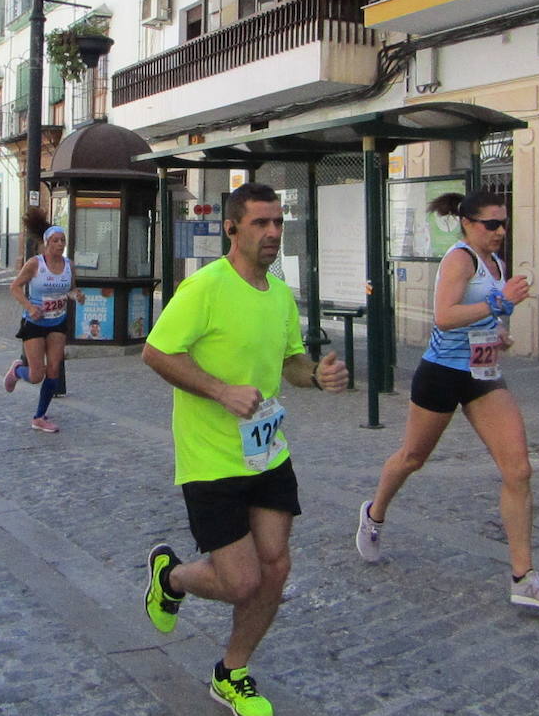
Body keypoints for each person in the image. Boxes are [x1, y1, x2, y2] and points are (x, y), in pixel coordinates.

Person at [141, 182, 347, 716]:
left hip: (267, 450)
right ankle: (172, 577)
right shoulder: (204, 288)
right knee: (241, 581)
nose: (274, 232)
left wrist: (317, 377)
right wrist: (219, 389)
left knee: (275, 568)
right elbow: (156, 352)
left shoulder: (278, 293)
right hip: (210, 458)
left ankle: (232, 672)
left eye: (278, 222)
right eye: (261, 223)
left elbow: (291, 363)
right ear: (232, 229)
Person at [355, 190, 539, 610]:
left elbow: (489, 316)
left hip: (483, 375)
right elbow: (444, 315)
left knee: (519, 468)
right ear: (468, 224)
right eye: (491, 224)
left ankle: (523, 578)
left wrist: (500, 331)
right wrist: (497, 301)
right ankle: (374, 512)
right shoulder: (460, 259)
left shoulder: (496, 263)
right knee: (413, 458)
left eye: (503, 223)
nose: (500, 231)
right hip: (441, 375)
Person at [3, 210, 87, 433]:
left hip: (57, 322)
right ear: (46, 243)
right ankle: (16, 371)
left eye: (63, 241)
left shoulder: (69, 265)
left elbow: (71, 290)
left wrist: (77, 295)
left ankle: (39, 417)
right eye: (56, 241)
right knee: (36, 375)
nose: (60, 244)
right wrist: (30, 306)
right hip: (34, 323)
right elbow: (15, 287)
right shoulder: (35, 264)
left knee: (54, 370)